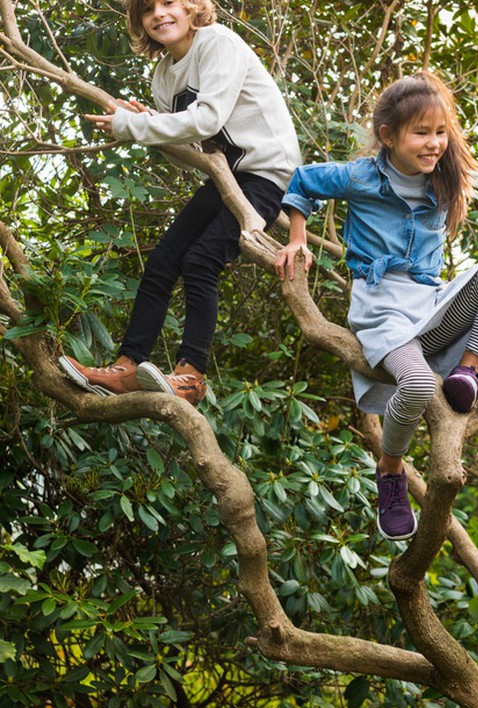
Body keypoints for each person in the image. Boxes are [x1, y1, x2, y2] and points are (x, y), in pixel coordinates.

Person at [274, 71, 478, 541]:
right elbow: (302, 181)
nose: (434, 144)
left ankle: (467, 371)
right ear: (388, 136)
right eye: (421, 133)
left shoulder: (443, 180)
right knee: (413, 386)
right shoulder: (362, 176)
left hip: (432, 303)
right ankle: (390, 470)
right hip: (382, 311)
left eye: (440, 132)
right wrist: (296, 240)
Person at [59, 0, 301, 406]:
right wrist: (146, 124)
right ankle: (127, 365)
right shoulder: (162, 76)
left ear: (193, 8)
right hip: (225, 174)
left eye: (169, 2)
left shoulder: (217, 43)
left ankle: (191, 375)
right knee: (163, 260)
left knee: (200, 260)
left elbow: (206, 120)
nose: (159, 14)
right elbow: (187, 151)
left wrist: (137, 125)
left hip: (267, 172)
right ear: (140, 23)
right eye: (148, 9)